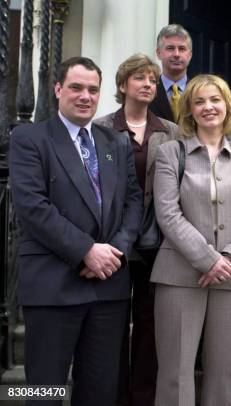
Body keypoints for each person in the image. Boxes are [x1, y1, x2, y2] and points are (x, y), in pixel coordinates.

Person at [9, 56, 142, 405]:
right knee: (44, 391)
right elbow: (32, 206)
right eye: (76, 88)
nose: (85, 96)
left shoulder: (116, 142)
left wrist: (115, 252)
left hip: (108, 287)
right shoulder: (29, 138)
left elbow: (133, 203)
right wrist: (86, 250)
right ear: (58, 90)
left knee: (100, 392)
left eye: (93, 90)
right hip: (54, 284)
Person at [152, 74, 231, 406]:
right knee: (175, 371)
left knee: (224, 372)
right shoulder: (171, 152)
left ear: (227, 106)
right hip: (179, 275)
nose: (208, 107)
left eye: (215, 100)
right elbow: (167, 213)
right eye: (199, 102)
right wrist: (209, 259)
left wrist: (228, 259)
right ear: (189, 111)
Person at [94, 53, 180, 406]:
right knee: (113, 326)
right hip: (112, 245)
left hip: (155, 246)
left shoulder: (169, 130)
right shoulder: (100, 127)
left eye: (151, 79)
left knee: (149, 329)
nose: (147, 85)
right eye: (139, 78)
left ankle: (144, 398)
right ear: (122, 85)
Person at [150, 24, 193, 123]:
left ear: (190, 55)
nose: (176, 54)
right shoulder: (147, 91)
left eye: (182, 49)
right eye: (170, 48)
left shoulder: (199, 91)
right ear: (158, 53)